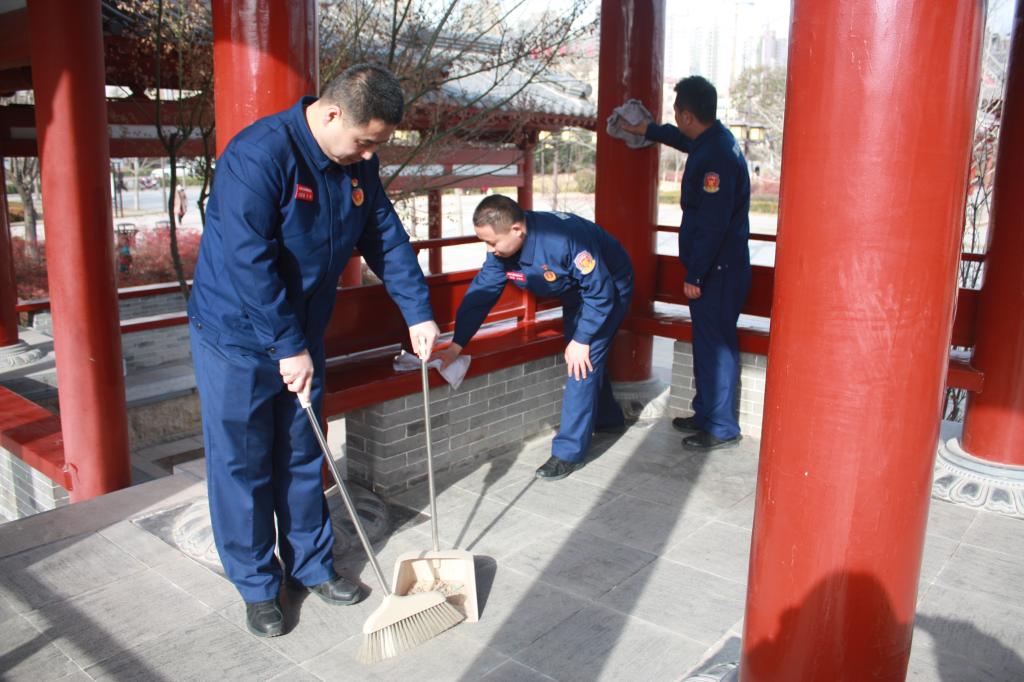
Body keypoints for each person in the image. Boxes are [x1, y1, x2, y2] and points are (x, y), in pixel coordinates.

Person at [187, 64, 439, 637]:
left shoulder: (357, 166)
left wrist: (417, 311)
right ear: (331, 114)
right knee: (243, 461)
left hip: (300, 332)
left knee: (304, 450)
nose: (369, 155)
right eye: (364, 141)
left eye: (377, 146)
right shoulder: (259, 156)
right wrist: (286, 346)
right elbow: (248, 263)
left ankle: (311, 564)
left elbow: (385, 236)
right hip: (236, 336)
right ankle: (257, 585)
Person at [436, 195, 633, 481]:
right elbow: (481, 295)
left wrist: (582, 339)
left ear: (517, 230)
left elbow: (600, 293)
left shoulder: (563, 240)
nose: (489, 250)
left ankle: (568, 453)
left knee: (581, 362)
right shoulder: (502, 252)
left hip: (608, 287)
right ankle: (608, 419)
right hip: (575, 292)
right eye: (485, 242)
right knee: (584, 360)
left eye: (492, 242)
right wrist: (457, 344)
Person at [622, 76, 751, 451]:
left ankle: (722, 426)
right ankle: (706, 413)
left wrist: (696, 273)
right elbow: (685, 140)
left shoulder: (716, 158)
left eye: (677, 114)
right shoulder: (714, 140)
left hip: (717, 271)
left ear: (688, 115)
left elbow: (713, 222)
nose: (676, 119)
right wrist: (650, 130)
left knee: (718, 347)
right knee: (707, 344)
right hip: (720, 268)